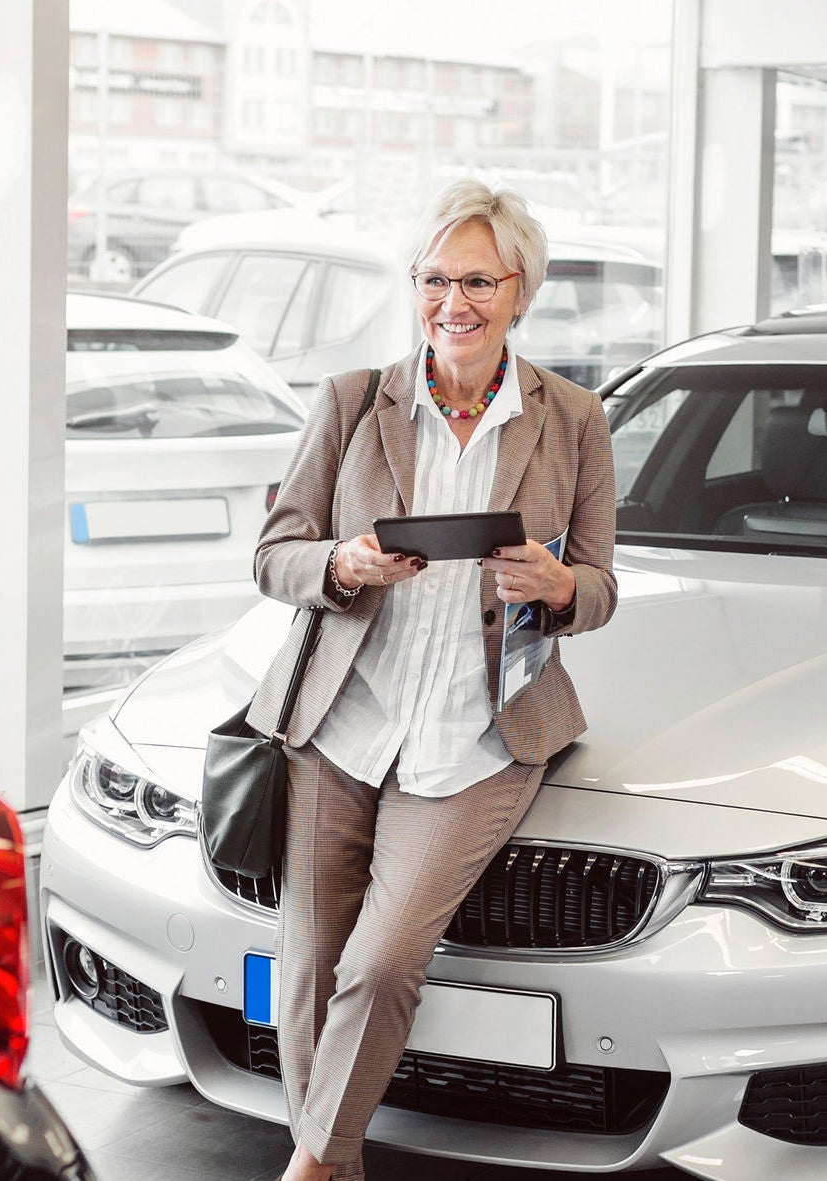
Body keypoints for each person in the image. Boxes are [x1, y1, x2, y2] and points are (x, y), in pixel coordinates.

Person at [249, 179, 617, 1180]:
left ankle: (313, 1164)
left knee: (377, 964)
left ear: (517, 291)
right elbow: (273, 553)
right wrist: (342, 567)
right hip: (343, 722)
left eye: (475, 281)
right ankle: (330, 1161)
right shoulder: (351, 403)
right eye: (431, 279)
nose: (450, 302)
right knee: (309, 971)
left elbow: (600, 586)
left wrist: (555, 583)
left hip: (478, 735)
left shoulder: (573, 418)